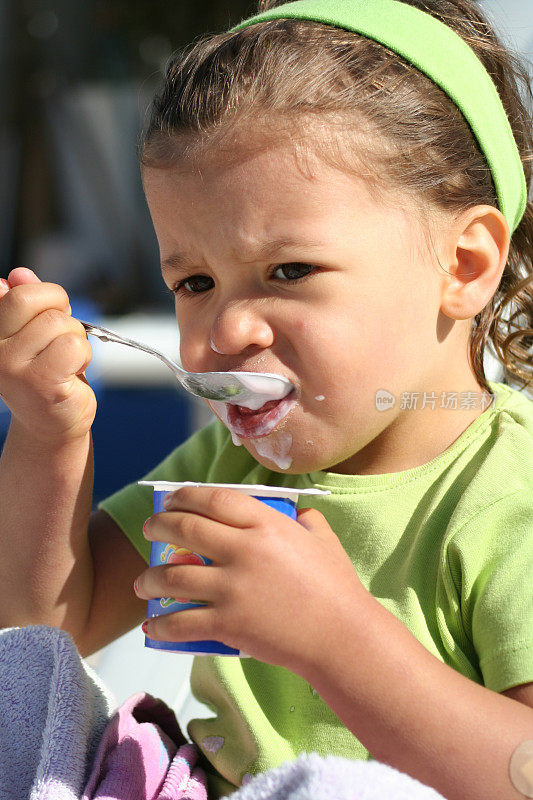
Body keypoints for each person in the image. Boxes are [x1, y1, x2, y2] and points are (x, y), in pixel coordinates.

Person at [0, 1, 532, 798]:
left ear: (462, 265)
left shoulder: (507, 492)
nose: (227, 326)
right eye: (193, 283)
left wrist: (335, 641)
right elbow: (44, 629)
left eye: (288, 272)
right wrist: (48, 436)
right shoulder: (231, 461)